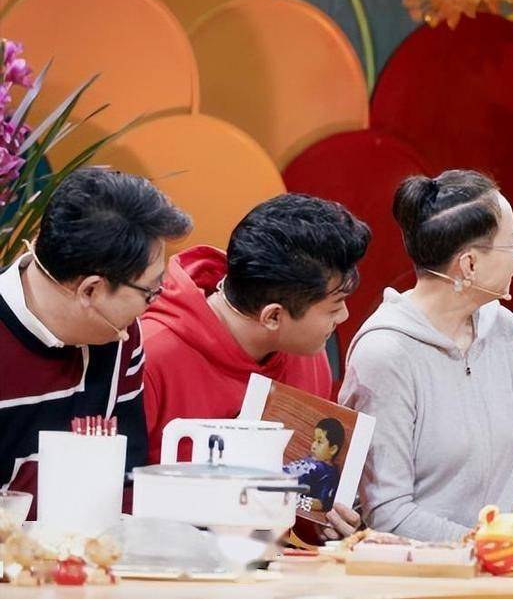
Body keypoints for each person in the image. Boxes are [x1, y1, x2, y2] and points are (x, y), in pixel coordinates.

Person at [141, 193, 371, 540]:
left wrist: (325, 522)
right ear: (273, 316)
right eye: (334, 306)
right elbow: (114, 501)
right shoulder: (151, 354)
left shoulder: (309, 355)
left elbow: (298, 509)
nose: (344, 316)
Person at [339, 170, 513, 541]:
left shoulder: (505, 330)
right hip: (418, 569)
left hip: (506, 564)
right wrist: (482, 546)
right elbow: (387, 510)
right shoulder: (385, 353)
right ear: (469, 264)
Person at [0, 168, 190, 513]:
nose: (155, 302)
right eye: (150, 291)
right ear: (90, 290)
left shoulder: (120, 336)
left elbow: (125, 483)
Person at [284, 417, 345, 512]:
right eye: (314, 440)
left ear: (333, 449)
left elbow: (323, 503)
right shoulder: (310, 459)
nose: (313, 446)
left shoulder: (329, 474)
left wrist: (297, 500)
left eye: (319, 442)